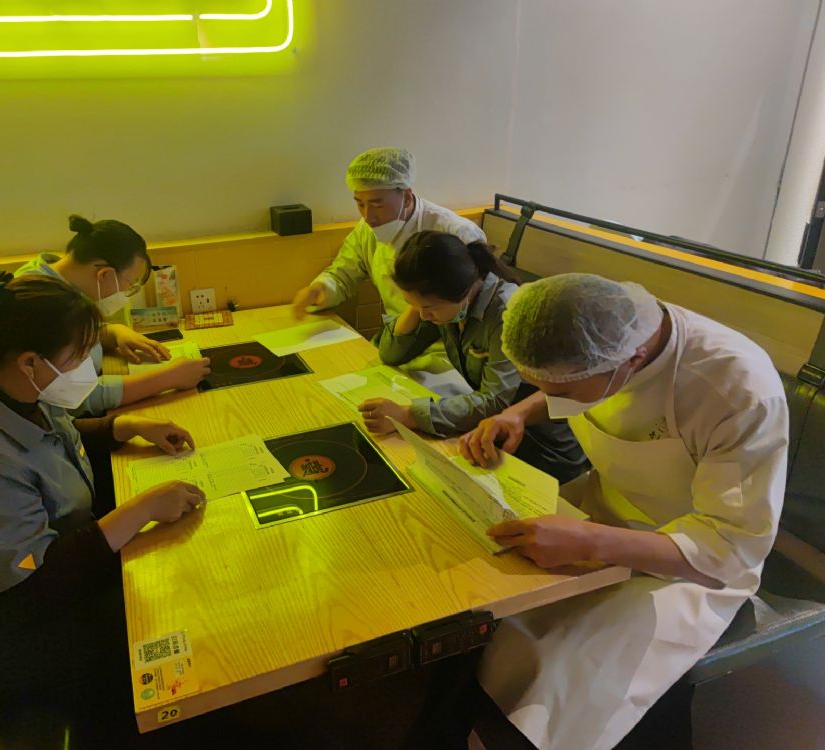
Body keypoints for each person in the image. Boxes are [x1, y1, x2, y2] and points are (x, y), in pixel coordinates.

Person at [459, 273, 788, 750]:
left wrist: (591, 542)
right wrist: (519, 413)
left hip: (691, 563)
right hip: (602, 506)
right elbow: (568, 379)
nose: (555, 399)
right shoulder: (609, 332)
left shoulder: (736, 389)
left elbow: (731, 547)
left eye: (564, 392)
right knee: (478, 615)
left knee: (564, 669)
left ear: (630, 361)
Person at [0, 273, 206, 698]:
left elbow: (53, 441)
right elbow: (37, 582)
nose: (86, 366)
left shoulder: (7, 389)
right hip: (13, 633)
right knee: (182, 618)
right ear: (30, 362)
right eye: (79, 355)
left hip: (60, 574)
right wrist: (142, 509)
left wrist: (124, 427)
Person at [363, 231, 585, 483]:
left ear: (462, 291)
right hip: (496, 432)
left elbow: (494, 400)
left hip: (543, 448)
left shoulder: (506, 312)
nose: (424, 316)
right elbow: (391, 353)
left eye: (428, 308)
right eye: (415, 306)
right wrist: (417, 304)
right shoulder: (448, 305)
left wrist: (409, 415)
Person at [0, 215, 210, 416]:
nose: (126, 293)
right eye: (130, 284)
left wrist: (112, 333)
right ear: (104, 275)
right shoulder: (41, 303)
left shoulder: (54, 280)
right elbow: (77, 397)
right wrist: (168, 378)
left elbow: (63, 342)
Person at [291, 148, 486, 321]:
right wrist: (319, 289)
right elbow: (343, 274)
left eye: (378, 204)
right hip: (399, 336)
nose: (368, 216)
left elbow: (476, 304)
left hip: (447, 343)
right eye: (360, 204)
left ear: (407, 197)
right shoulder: (366, 230)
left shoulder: (456, 231)